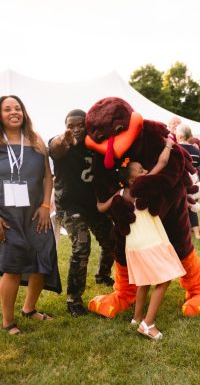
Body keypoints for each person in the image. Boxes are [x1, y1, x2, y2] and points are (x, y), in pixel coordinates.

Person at [97, 138, 186, 339]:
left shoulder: (119, 194)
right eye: (141, 171)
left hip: (134, 245)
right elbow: (162, 164)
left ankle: (137, 317)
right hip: (149, 242)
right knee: (164, 279)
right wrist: (169, 145)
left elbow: (101, 208)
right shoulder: (143, 188)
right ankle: (147, 323)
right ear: (132, 180)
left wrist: (96, 193)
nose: (146, 172)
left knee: (145, 281)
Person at [0, 95, 61, 335]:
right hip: (8, 216)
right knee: (12, 267)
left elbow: (48, 176)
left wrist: (46, 205)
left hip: (37, 214)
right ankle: (8, 321)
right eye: (7, 109)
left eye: (17, 108)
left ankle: (29, 308)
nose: (14, 112)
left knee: (42, 260)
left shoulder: (35, 140)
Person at [49, 109, 115, 317]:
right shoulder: (62, 142)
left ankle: (103, 275)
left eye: (80, 125)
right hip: (69, 206)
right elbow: (55, 148)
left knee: (112, 240)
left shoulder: (94, 144)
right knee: (81, 246)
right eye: (71, 125)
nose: (76, 129)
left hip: (93, 204)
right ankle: (73, 300)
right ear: (65, 126)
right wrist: (64, 138)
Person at [176, 124, 200, 239]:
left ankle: (182, 234)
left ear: (180, 135)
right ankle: (197, 234)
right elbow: (196, 165)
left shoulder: (176, 148)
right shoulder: (195, 150)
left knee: (179, 208)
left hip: (179, 181)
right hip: (192, 181)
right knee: (192, 206)